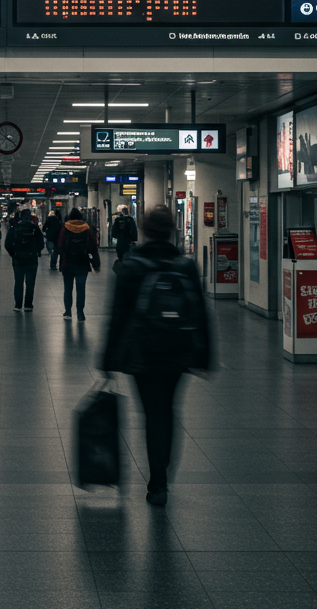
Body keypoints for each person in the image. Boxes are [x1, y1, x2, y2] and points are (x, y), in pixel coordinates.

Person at [102, 204, 210, 506]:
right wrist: (205, 357)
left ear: (146, 231)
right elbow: (201, 314)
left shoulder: (133, 266)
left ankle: (157, 482)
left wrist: (108, 359)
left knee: (152, 413)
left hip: (143, 352)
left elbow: (118, 316)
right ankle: (162, 473)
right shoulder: (185, 265)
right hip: (178, 351)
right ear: (172, 230)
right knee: (169, 410)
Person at [58, 208, 99, 319]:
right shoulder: (87, 229)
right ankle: (80, 313)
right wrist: (96, 264)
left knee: (68, 289)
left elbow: (60, 246)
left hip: (68, 263)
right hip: (83, 263)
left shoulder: (65, 229)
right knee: (81, 289)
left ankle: (68, 312)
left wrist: (60, 262)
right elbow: (93, 248)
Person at [4, 210, 44, 311]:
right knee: (30, 283)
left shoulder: (15, 228)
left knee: (18, 282)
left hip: (18, 260)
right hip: (32, 260)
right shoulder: (35, 229)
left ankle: (18, 305)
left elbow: (7, 244)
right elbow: (41, 244)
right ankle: (28, 305)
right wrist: (35, 251)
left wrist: (14, 254)